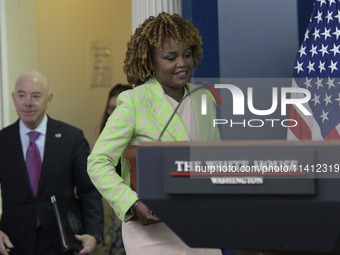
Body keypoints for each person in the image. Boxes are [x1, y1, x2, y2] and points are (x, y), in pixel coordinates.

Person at [87, 12, 221, 255]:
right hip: (151, 234)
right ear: (151, 61)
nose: (182, 63)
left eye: (187, 54)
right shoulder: (133, 101)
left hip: (200, 227)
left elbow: (214, 158)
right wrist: (132, 203)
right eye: (171, 57)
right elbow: (98, 163)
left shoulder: (204, 99)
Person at [0, 71, 104, 255]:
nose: (28, 102)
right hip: (13, 244)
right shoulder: (3, 140)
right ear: (13, 98)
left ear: (49, 99)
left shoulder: (72, 139)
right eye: (22, 95)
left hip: (62, 243)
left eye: (36, 96)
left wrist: (93, 234)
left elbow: (89, 191)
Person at [99, 84, 131, 255]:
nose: (114, 115)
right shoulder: (105, 143)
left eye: (119, 108)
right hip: (115, 216)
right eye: (111, 109)